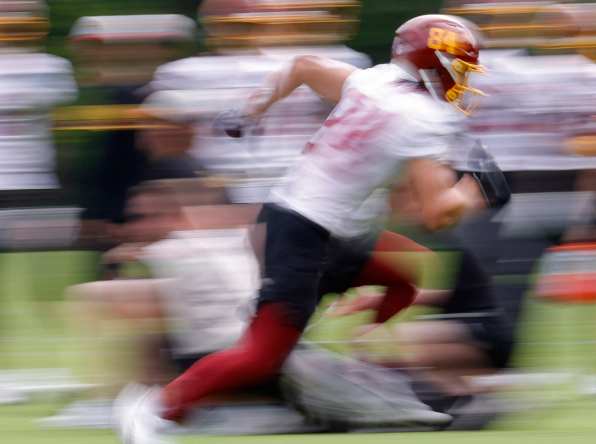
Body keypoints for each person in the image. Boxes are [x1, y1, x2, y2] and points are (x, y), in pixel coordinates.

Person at [114, 14, 509, 444]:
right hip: (307, 233)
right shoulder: (422, 116)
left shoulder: (374, 81)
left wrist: (251, 108)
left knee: (403, 278)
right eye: (462, 64)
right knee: (262, 355)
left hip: (313, 223)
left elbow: (303, 65)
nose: (465, 75)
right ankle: (158, 407)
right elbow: (436, 214)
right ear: (435, 61)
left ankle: (357, 373)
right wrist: (477, 186)